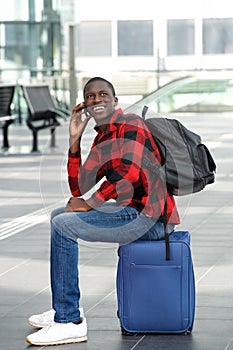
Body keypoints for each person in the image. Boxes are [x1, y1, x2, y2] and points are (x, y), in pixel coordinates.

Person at [26, 77, 180, 346]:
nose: (96, 99)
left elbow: (129, 172)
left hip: (151, 218)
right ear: (84, 105)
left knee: (64, 226)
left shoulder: (131, 125)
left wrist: (91, 203)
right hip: (132, 211)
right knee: (58, 218)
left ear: (115, 100)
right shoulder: (102, 139)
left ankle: (69, 321)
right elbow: (79, 187)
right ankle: (66, 307)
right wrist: (75, 141)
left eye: (102, 94)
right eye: (89, 96)